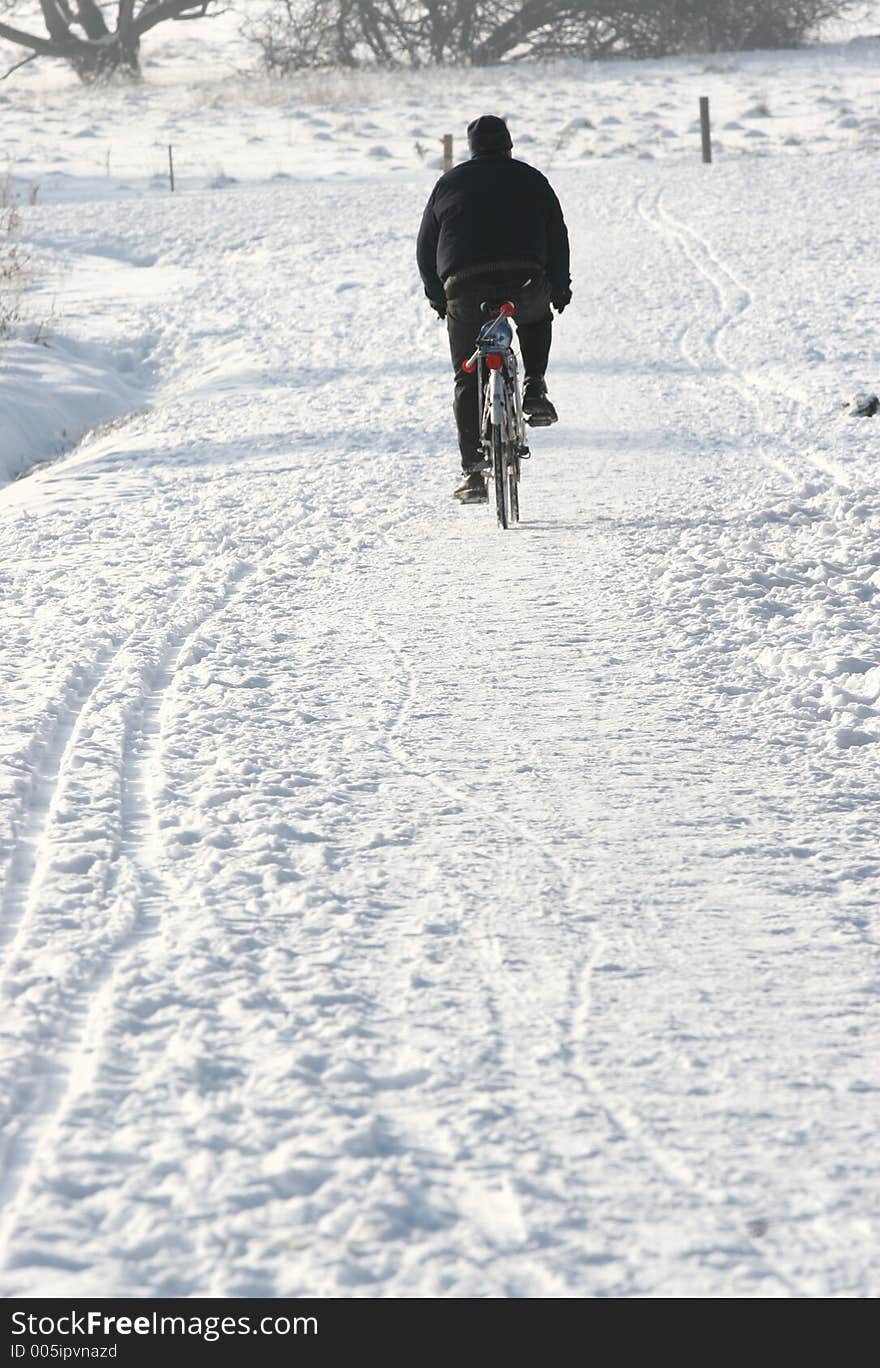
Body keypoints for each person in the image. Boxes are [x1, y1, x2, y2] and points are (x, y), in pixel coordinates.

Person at [417, 114, 572, 503]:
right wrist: (560, 289)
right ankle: (534, 385)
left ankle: (473, 473)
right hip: (525, 280)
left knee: (467, 377)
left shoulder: (447, 183)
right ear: (509, 145)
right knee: (535, 318)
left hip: (465, 288)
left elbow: (425, 248)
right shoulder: (532, 178)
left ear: (471, 149)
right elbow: (557, 237)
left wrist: (439, 297)